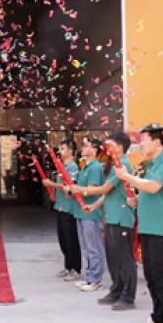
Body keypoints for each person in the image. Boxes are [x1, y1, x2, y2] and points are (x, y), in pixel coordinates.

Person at [115, 124, 163, 323]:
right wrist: (137, 200)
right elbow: (150, 192)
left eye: (143, 140)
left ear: (157, 142)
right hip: (148, 229)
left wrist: (127, 177)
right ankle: (159, 318)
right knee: (152, 277)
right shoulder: (152, 165)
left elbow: (154, 187)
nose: (140, 144)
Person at [71, 132, 136, 310]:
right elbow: (109, 193)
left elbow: (104, 188)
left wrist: (80, 189)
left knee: (124, 259)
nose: (106, 149)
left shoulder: (122, 165)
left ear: (120, 147)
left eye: (110, 145)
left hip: (122, 217)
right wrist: (94, 206)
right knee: (113, 258)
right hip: (112, 216)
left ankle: (128, 296)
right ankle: (116, 290)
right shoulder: (115, 165)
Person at [64, 137, 105, 292]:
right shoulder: (85, 166)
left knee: (94, 248)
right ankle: (89, 277)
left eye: (86, 145)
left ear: (94, 150)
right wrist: (72, 190)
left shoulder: (95, 168)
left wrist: (76, 189)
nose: (83, 147)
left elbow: (92, 189)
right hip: (81, 212)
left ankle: (95, 279)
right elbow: (80, 188)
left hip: (91, 213)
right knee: (87, 248)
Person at [41, 139, 82, 282]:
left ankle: (76, 268)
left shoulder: (73, 167)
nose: (60, 151)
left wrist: (51, 184)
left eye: (63, 148)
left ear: (70, 150)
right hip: (60, 206)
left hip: (69, 208)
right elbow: (61, 185)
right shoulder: (61, 166)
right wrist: (53, 192)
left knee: (71, 239)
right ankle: (68, 266)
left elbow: (70, 186)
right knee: (63, 239)